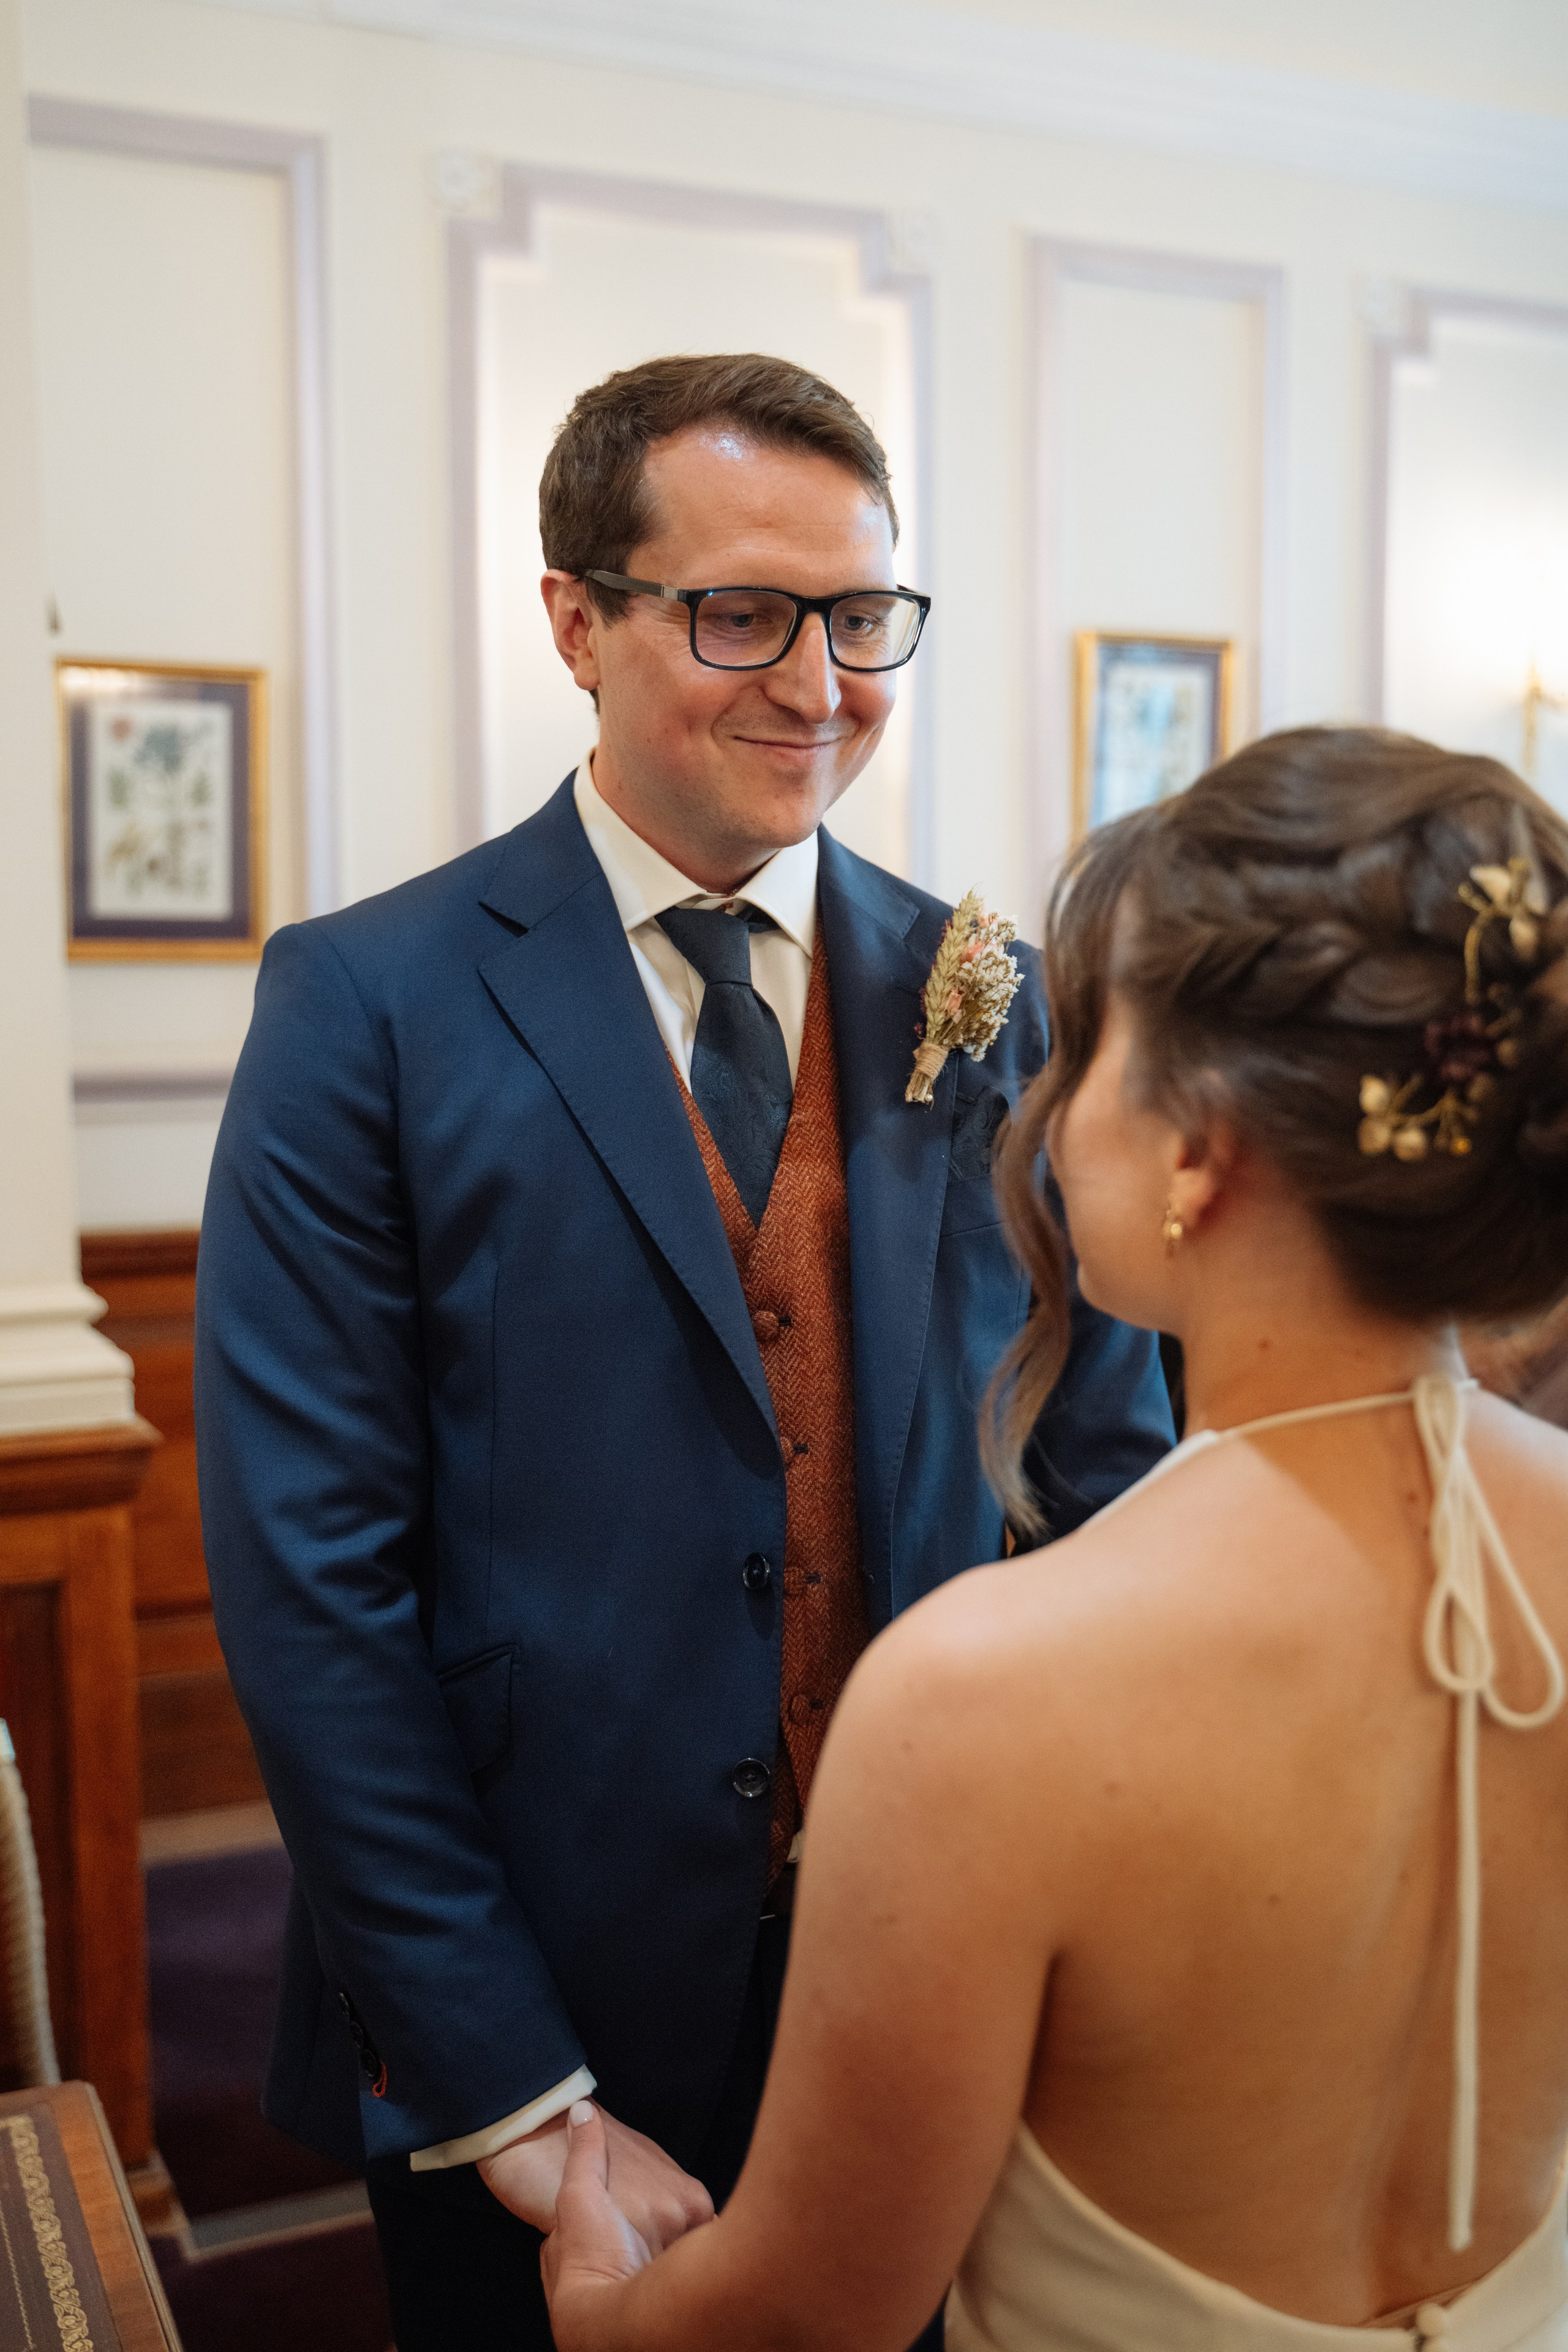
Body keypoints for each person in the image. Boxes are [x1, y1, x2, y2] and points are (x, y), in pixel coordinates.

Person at [192, 351, 1172, 2351]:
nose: (819, 684)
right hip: (529, 2003)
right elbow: (314, 1589)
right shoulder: (363, 1005)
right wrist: (518, 2095)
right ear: (577, 619)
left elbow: (1109, 1486)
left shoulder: (999, 999)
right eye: (741, 613)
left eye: (863, 618)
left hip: (936, 1969)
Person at [539, 725, 1568, 2351]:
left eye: (1091, 1053)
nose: (1050, 1105)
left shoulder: (981, 1699)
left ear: (1198, 1147)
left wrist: (599, 2299)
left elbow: (808, 2318)